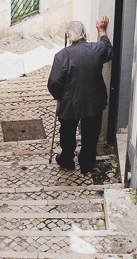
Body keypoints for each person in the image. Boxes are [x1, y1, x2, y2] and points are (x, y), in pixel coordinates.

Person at [47, 16, 113, 173]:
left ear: (68, 36)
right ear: (84, 34)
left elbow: (54, 83)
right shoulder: (96, 49)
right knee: (91, 134)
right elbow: (109, 50)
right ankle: (86, 163)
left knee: (67, 132)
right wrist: (102, 31)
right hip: (93, 101)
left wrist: (58, 96)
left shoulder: (61, 56)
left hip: (70, 102)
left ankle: (67, 159)